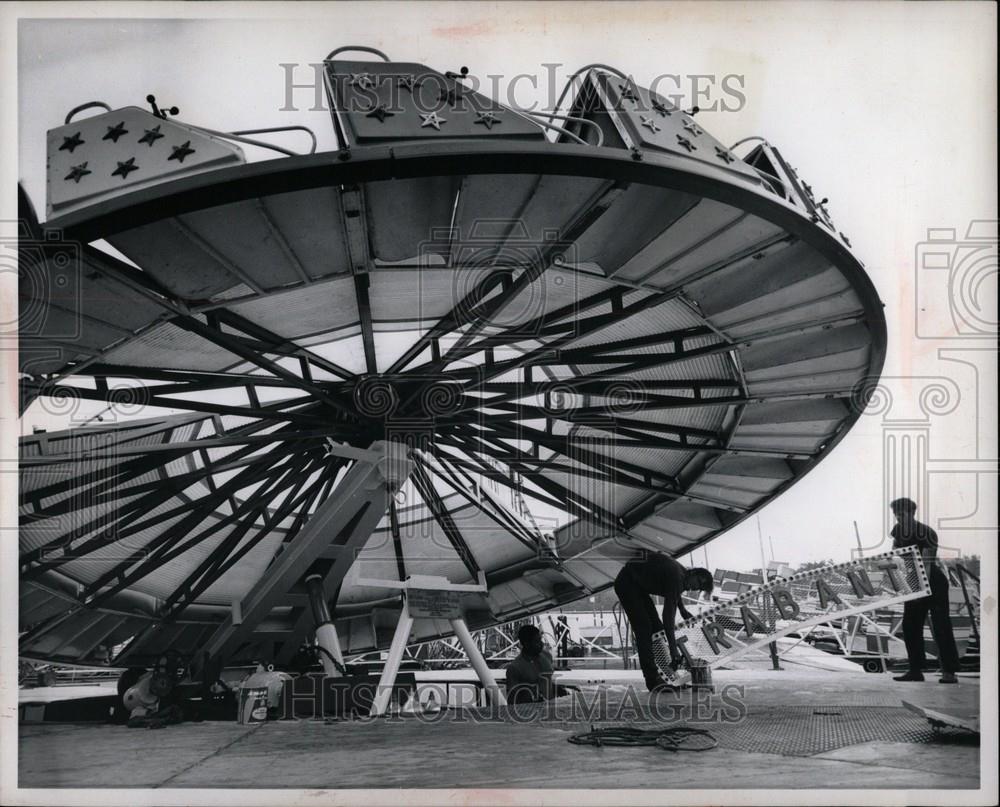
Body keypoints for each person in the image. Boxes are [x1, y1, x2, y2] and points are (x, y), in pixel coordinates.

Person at [614, 552, 714, 691]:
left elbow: (675, 591)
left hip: (637, 585)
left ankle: (669, 677)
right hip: (627, 584)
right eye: (697, 584)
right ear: (694, 573)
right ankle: (652, 680)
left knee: (657, 629)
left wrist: (683, 610)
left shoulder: (682, 573)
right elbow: (668, 618)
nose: (694, 589)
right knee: (644, 629)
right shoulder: (677, 577)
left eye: (699, 589)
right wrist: (673, 649)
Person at [889, 497, 959, 684]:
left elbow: (927, 563)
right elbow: (895, 555)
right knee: (910, 625)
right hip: (912, 580)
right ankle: (915, 670)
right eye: (895, 513)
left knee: (940, 625)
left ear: (911, 513)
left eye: (901, 514)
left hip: (933, 582)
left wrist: (922, 589)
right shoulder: (898, 531)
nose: (897, 517)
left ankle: (949, 672)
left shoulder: (926, 532)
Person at [505, 624, 556, 703]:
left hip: (551, 708)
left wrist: (558, 689)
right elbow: (512, 700)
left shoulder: (547, 656)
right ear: (526, 644)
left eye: (540, 639)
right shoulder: (514, 668)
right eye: (537, 641)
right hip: (529, 712)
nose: (541, 644)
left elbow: (547, 681)